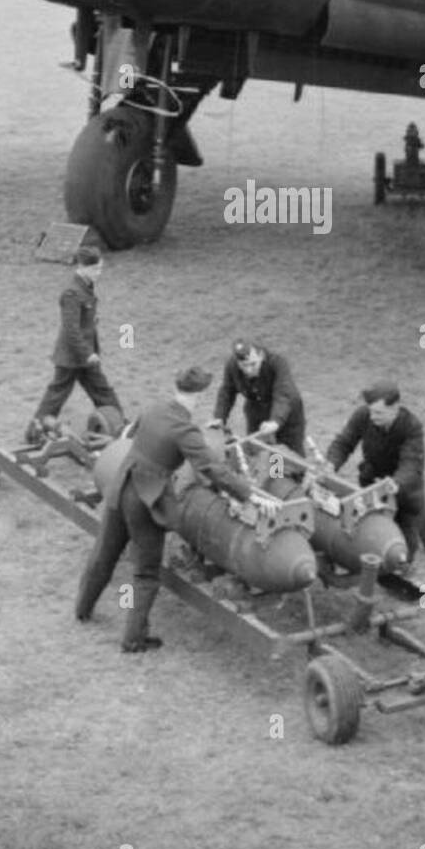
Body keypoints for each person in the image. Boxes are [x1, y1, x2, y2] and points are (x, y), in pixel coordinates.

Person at [75, 367, 279, 653]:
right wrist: (250, 496)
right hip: (146, 500)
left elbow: (131, 433)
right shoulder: (185, 429)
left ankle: (83, 609)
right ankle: (133, 639)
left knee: (104, 553)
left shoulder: (155, 408)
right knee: (146, 573)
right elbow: (211, 468)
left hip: (121, 485)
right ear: (197, 396)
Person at [26, 245, 125, 443]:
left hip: (85, 356)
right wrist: (88, 354)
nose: (99, 273)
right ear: (83, 267)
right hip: (72, 357)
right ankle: (34, 431)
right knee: (56, 396)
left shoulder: (85, 287)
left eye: (100, 268)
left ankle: (121, 426)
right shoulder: (71, 293)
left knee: (103, 390)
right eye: (96, 269)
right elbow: (71, 330)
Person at [326, 381, 424, 560]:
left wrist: (396, 483)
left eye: (378, 413)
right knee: (370, 532)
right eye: (371, 411)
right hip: (372, 482)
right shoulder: (363, 416)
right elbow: (344, 442)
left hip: (403, 493)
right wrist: (332, 463)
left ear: (395, 408)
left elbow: (411, 464)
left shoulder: (411, 427)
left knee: (403, 545)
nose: (372, 417)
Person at [209, 341, 306, 455]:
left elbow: (283, 394)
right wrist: (220, 416)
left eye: (253, 364)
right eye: (244, 365)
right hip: (257, 412)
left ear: (261, 355)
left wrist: (275, 421)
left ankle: (284, 472)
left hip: (286, 411)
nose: (248, 370)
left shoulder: (278, 363)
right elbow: (227, 391)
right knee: (258, 452)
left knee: (289, 455)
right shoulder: (232, 365)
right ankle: (269, 471)